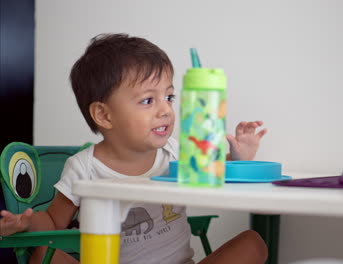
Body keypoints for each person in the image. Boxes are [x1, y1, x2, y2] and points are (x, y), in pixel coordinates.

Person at [0, 33, 268, 264]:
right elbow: (52, 222)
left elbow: (214, 174)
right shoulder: (84, 166)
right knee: (43, 254)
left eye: (169, 97)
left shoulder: (174, 152)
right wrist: (25, 222)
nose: (165, 110)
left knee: (253, 243)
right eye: (148, 100)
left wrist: (237, 158)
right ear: (104, 116)